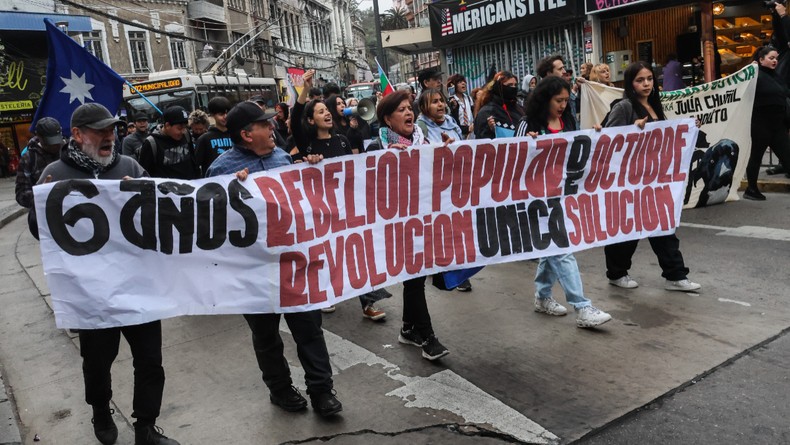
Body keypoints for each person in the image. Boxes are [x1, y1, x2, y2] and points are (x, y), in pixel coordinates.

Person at [34, 103, 179, 445]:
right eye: (100, 131)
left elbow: (165, 210)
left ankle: (146, 426)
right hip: (91, 294)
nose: (109, 137)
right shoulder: (55, 173)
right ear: (78, 135)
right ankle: (100, 408)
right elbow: (36, 228)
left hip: (138, 286)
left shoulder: (129, 166)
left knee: (150, 360)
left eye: (111, 130)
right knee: (98, 363)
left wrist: (143, 196)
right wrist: (55, 203)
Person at [205, 101, 343, 417]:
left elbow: (306, 205)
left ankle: (322, 392)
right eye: (264, 125)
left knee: (309, 329)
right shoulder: (221, 170)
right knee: (267, 337)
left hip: (294, 263)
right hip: (254, 270)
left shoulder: (283, 158)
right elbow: (212, 225)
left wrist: (312, 170)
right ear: (246, 134)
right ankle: (280, 390)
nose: (272, 128)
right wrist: (230, 193)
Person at [514, 77, 612, 328]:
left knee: (552, 250)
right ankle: (582, 307)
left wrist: (594, 136)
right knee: (561, 247)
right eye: (559, 100)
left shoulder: (568, 121)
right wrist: (528, 145)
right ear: (545, 99)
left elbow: (577, 150)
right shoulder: (528, 124)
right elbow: (512, 159)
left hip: (563, 195)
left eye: (567, 100)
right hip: (536, 199)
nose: (563, 105)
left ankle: (543, 296)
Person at [293, 70, 389, 318]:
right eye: (320, 112)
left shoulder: (343, 141)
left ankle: (368, 303)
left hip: (345, 206)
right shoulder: (307, 144)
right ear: (311, 121)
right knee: (325, 252)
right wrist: (304, 89)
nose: (327, 113)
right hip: (320, 210)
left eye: (327, 111)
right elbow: (295, 117)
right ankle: (325, 293)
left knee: (356, 252)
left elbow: (353, 172)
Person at [366, 90, 450, 361]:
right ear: (388, 120)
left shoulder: (422, 140)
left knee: (416, 278)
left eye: (409, 108)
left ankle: (407, 328)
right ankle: (427, 338)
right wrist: (385, 160)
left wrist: (446, 150)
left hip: (422, 219)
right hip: (395, 224)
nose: (408, 112)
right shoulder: (376, 147)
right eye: (400, 109)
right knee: (414, 279)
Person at [603, 61, 701, 292]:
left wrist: (689, 127)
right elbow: (608, 141)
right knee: (627, 231)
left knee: (662, 227)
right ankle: (617, 273)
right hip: (630, 182)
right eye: (640, 80)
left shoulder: (655, 106)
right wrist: (632, 131)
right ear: (630, 83)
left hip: (654, 182)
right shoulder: (624, 107)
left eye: (649, 79)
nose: (646, 84)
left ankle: (675, 274)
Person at [745, 46, 790, 200]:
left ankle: (751, 189)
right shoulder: (753, 74)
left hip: (778, 126)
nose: (775, 61)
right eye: (771, 58)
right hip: (760, 124)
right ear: (761, 59)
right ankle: (751, 189)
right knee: (756, 157)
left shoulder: (776, 77)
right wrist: (750, 70)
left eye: (776, 58)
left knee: (788, 156)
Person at [138, 106, 200, 179]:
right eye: (179, 128)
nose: (183, 131)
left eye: (185, 127)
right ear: (167, 125)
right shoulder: (152, 143)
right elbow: (144, 175)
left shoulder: (186, 135)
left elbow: (193, 162)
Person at [15, 117, 63, 208]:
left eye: (57, 141)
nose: (55, 146)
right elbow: (21, 195)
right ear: (39, 137)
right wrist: (41, 192)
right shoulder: (29, 159)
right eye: (50, 142)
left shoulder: (67, 151)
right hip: (44, 214)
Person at [473, 70, 524, 139]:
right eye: (509, 85)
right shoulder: (487, 112)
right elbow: (482, 140)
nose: (513, 88)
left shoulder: (519, 108)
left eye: (515, 85)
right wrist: (491, 130)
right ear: (499, 87)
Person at [195, 96, 233, 177]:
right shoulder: (204, 139)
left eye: (227, 113)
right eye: (221, 114)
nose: (225, 117)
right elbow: (196, 165)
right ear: (212, 115)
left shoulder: (236, 135)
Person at [447, 73, 475, 138]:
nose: (463, 83)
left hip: (471, 134)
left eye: (464, 82)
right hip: (459, 135)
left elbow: (473, 114)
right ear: (453, 85)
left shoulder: (468, 98)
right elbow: (452, 122)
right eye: (460, 82)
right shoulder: (451, 101)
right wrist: (454, 108)